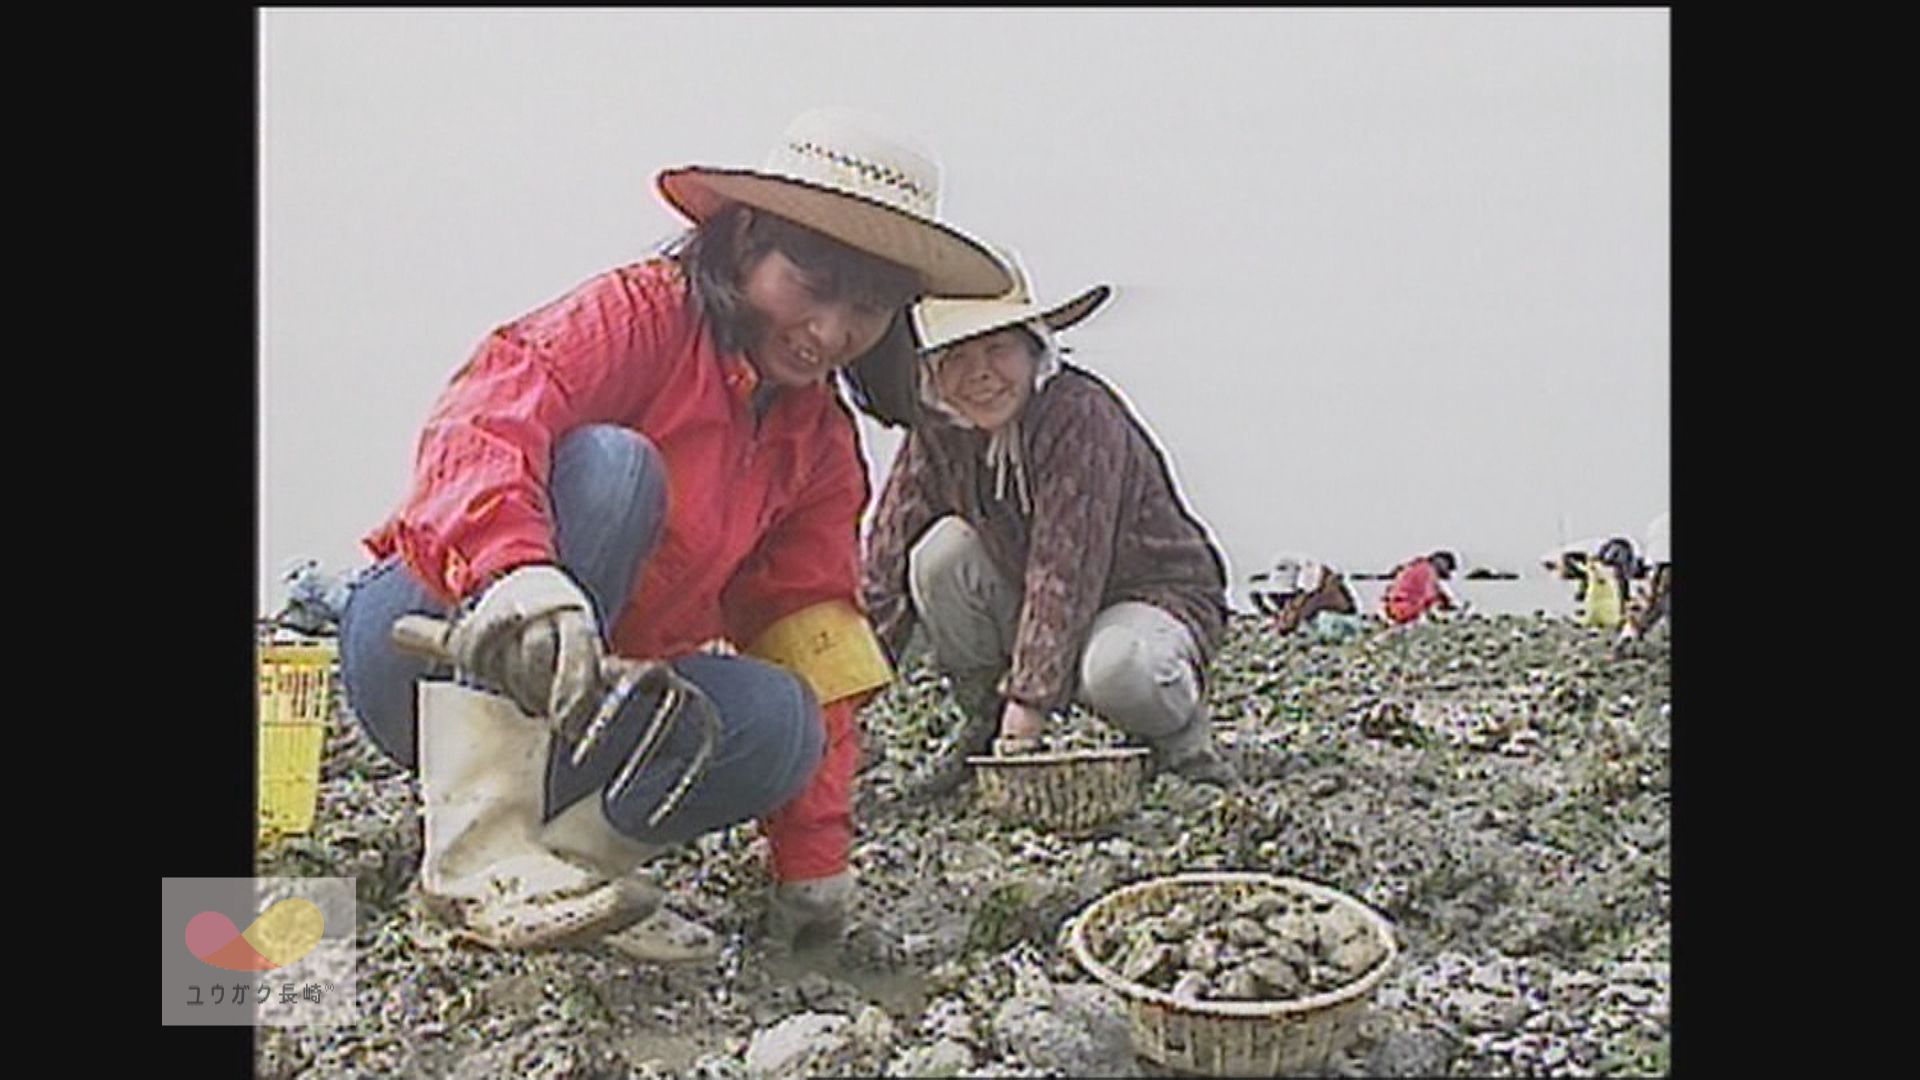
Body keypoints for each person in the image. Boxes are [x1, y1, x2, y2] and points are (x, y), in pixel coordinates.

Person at [334, 108, 1013, 958]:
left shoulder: (820, 448)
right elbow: (483, 417)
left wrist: (815, 861)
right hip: (434, 647)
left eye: (868, 309)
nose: (831, 333)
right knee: (616, 472)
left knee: (785, 717)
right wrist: (519, 572)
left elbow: (816, 637)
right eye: (810, 285)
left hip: (589, 706)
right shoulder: (640, 315)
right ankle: (476, 853)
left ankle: (567, 878)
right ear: (743, 246)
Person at [862, 252, 1238, 797]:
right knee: (938, 554)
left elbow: (1066, 566)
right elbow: (884, 561)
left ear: (1034, 347)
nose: (981, 375)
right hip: (1030, 594)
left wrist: (1029, 716)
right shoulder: (938, 432)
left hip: (1145, 594)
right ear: (932, 371)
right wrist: (845, 701)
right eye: (957, 356)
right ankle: (981, 722)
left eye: (998, 349)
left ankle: (1182, 740)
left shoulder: (1078, 415)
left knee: (1118, 671)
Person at [1249, 555, 1362, 639]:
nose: (1285, 605)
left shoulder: (1325, 618)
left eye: (1287, 599)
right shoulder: (1308, 597)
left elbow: (1289, 622)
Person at [1620, 510, 1670, 642]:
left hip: (1661, 567)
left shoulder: (1660, 523)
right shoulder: (1662, 523)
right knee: (1660, 605)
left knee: (1658, 605)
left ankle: (1632, 634)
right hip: (1663, 568)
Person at [1381, 550, 1462, 626]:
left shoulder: (1417, 566)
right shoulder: (1426, 570)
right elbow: (1430, 595)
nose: (1447, 571)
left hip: (1394, 606)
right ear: (1441, 562)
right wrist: (1446, 603)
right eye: (1448, 567)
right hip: (1405, 608)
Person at [1578, 536, 1638, 629]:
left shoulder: (1611, 557)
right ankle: (1620, 611)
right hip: (1615, 557)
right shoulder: (1615, 559)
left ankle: (1620, 611)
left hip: (1614, 557)